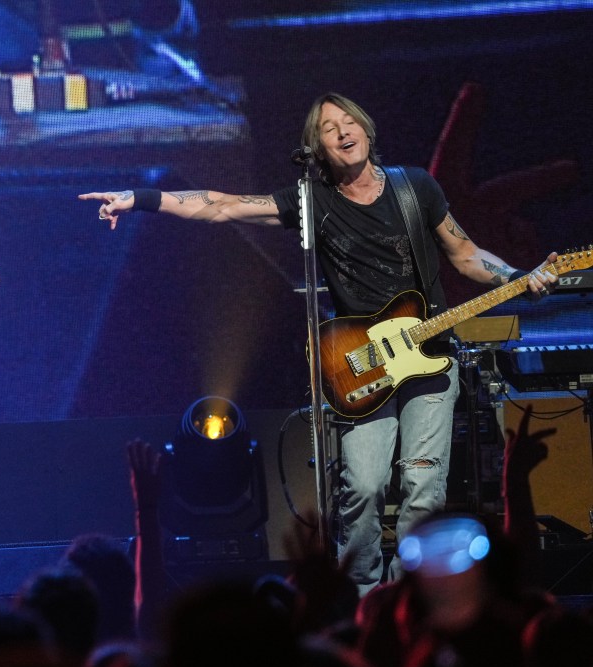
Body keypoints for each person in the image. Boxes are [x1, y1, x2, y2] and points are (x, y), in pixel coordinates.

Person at [79, 92, 558, 595]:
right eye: (330, 128)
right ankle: (360, 599)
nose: (343, 131)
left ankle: (406, 599)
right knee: (364, 488)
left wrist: (517, 276)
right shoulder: (314, 201)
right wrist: (141, 198)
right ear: (318, 147)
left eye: (350, 121)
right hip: (361, 365)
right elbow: (222, 206)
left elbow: (464, 253)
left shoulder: (416, 186)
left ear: (367, 130)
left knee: (424, 486)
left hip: (431, 357)